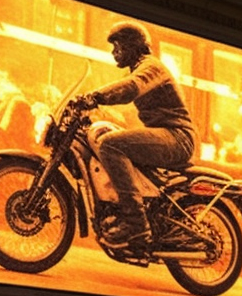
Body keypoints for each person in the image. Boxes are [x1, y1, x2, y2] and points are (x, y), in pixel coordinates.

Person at [74, 21, 197, 246]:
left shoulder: (151, 66)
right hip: (166, 135)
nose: (114, 51)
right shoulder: (142, 68)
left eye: (118, 45)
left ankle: (135, 224)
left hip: (177, 138)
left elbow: (130, 87)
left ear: (132, 46)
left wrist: (95, 96)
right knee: (111, 137)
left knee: (110, 144)